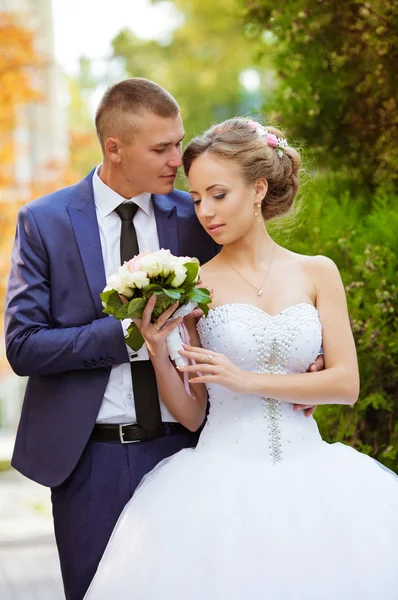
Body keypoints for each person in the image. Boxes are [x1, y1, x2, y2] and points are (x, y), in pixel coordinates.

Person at [4, 80, 321, 600]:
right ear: (115, 148)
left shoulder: (199, 215)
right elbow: (24, 346)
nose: (178, 158)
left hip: (194, 450)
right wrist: (133, 333)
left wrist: (304, 356)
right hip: (92, 463)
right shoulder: (45, 222)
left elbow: (265, 287)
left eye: (178, 142)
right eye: (161, 148)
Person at [83, 117, 398, 600]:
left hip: (314, 477)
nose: (205, 211)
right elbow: (191, 414)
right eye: (195, 199)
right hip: (219, 483)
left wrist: (246, 379)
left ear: (258, 189)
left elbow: (345, 385)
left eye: (217, 194)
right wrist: (156, 349)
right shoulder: (193, 287)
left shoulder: (318, 273)